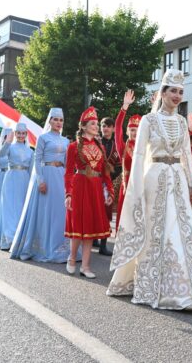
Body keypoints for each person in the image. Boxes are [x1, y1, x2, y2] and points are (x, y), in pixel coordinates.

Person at [107, 69, 192, 311]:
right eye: (173, 90)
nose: (177, 95)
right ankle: (153, 286)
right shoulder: (148, 120)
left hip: (177, 181)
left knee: (179, 231)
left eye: (181, 92)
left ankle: (183, 292)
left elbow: (186, 155)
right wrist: (137, 189)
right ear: (162, 93)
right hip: (154, 178)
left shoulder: (182, 121)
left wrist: (189, 186)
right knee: (156, 231)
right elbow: (140, 154)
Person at [10, 108, 71, 263]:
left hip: (61, 176)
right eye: (55, 119)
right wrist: (40, 180)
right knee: (46, 212)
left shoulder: (66, 141)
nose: (58, 123)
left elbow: (68, 162)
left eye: (61, 120)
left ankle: (60, 248)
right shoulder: (43, 138)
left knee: (60, 212)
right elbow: (37, 160)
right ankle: (44, 247)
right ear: (49, 121)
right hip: (47, 175)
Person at [64, 106, 114, 279]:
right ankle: (72, 259)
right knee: (79, 225)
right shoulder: (73, 147)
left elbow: (105, 172)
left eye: (96, 123)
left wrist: (109, 191)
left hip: (95, 189)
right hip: (80, 187)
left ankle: (85, 266)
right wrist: (68, 194)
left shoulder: (100, 147)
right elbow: (69, 172)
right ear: (84, 126)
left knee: (90, 229)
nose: (95, 126)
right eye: (92, 123)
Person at [0, 124, 33, 250]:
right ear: (15, 134)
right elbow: (1, 155)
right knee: (9, 207)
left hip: (25, 179)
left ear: (26, 134)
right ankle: (9, 239)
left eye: (23, 133)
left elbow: (32, 170)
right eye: (18, 133)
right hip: (10, 178)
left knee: (21, 208)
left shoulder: (30, 151)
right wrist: (7, 142)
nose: (21, 136)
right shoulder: (10, 147)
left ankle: (19, 238)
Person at [114, 90, 140, 234]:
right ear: (127, 131)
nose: (134, 133)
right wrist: (124, 108)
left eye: (137, 130)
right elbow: (117, 127)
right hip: (127, 188)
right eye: (131, 130)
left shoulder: (146, 147)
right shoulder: (122, 146)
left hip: (142, 187)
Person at [98, 115, 121, 256]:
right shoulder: (95, 142)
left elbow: (119, 167)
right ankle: (93, 239)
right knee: (94, 211)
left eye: (108, 126)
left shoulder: (116, 146)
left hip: (107, 183)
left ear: (113, 128)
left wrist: (109, 178)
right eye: (103, 126)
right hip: (93, 181)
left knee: (106, 213)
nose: (105, 128)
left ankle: (103, 245)